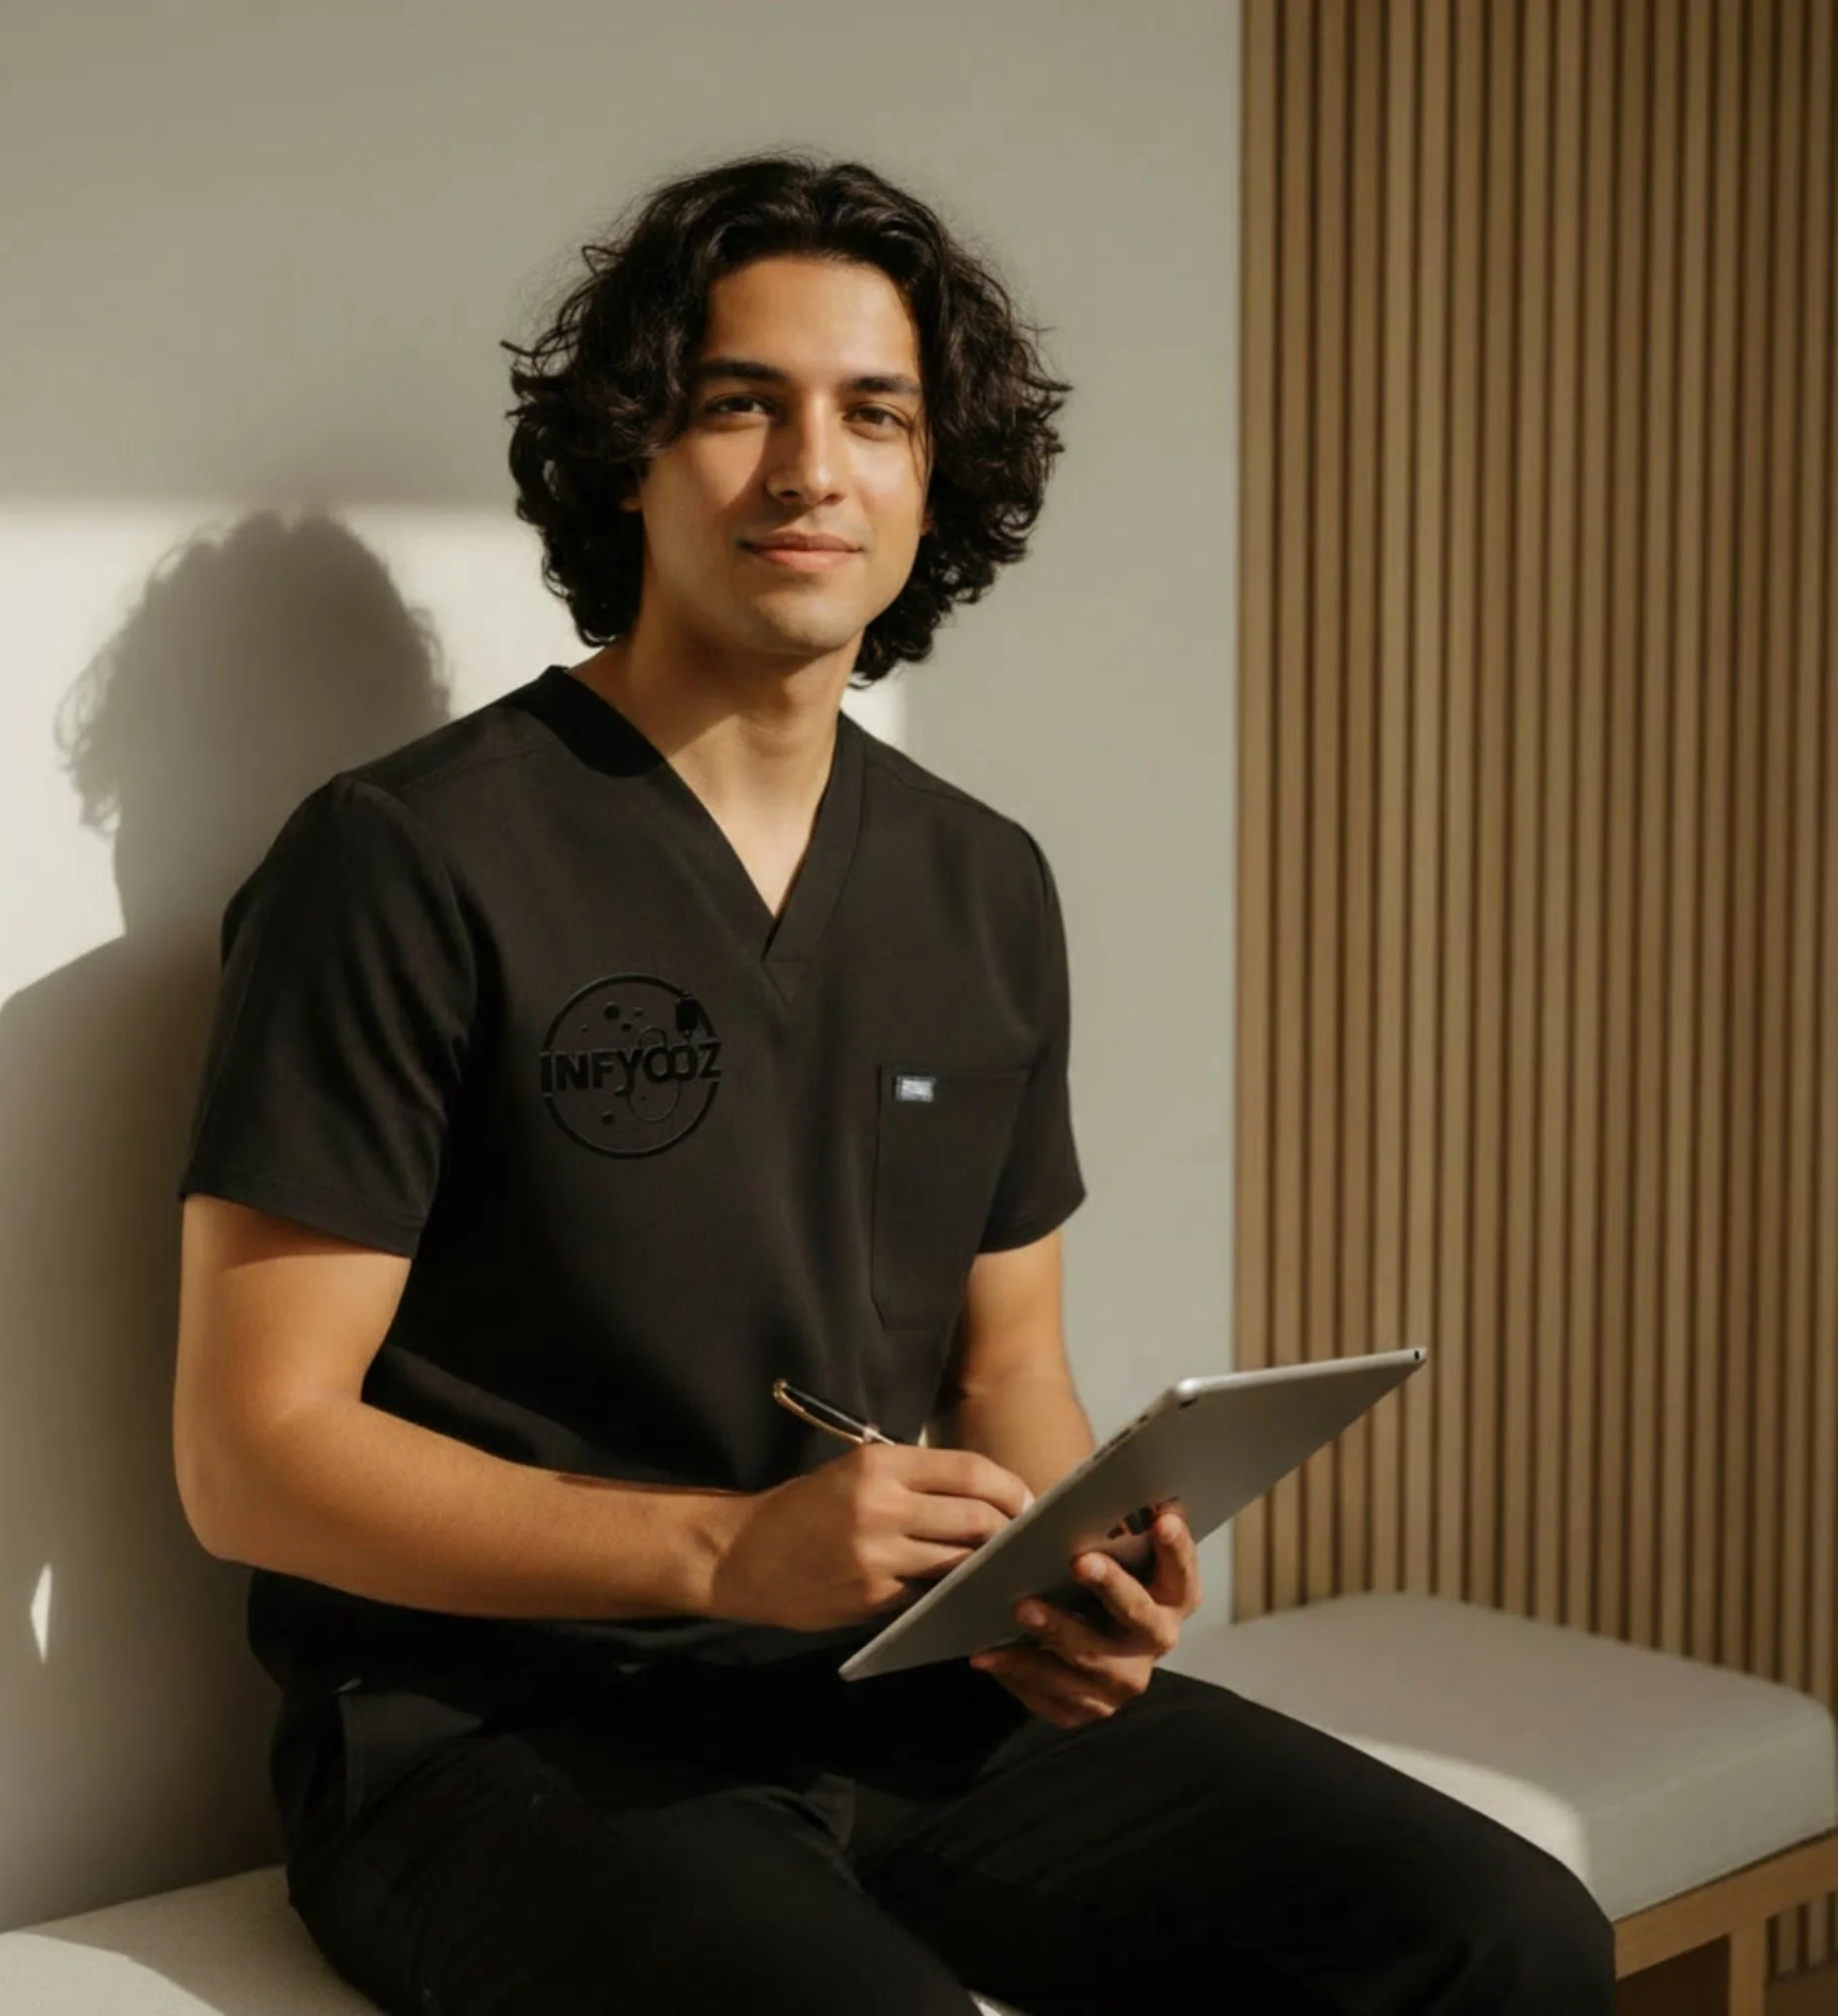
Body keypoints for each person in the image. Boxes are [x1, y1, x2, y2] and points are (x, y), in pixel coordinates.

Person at [171, 149, 1615, 2015]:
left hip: (900, 1697)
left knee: (1500, 1937)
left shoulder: (979, 879)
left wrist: (1063, 1583)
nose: (806, 468)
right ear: (631, 451)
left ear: (939, 478)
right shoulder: (405, 858)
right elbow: (251, 1457)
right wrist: (719, 1551)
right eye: (733, 405)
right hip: (501, 1743)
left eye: (874, 414)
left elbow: (1007, 1363)